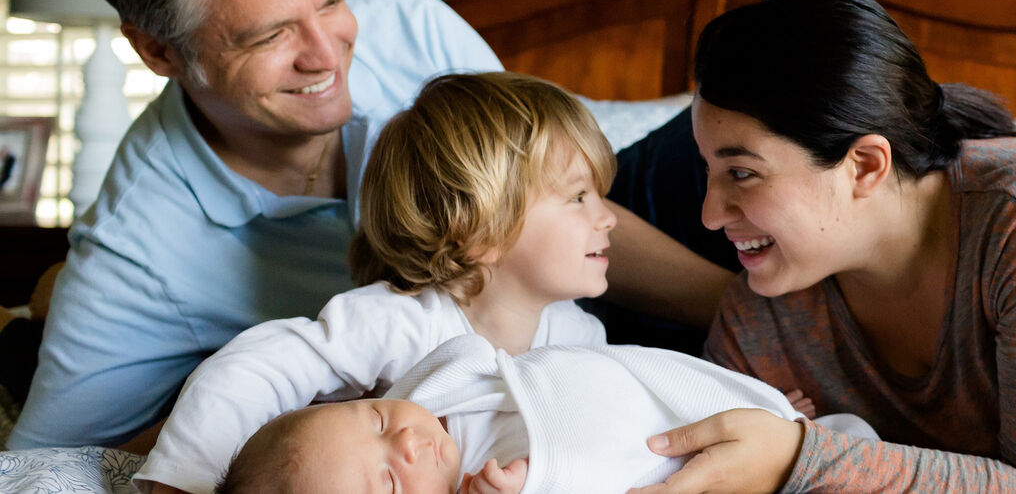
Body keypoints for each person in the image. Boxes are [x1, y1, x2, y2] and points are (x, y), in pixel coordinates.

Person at [6, 0, 731, 451]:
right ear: (158, 51)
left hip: (575, 241)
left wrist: (745, 313)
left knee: (730, 122)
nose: (329, 54)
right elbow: (49, 465)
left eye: (330, 0)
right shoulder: (136, 249)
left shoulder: (408, 21)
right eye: (269, 37)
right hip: (494, 306)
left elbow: (544, 197)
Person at [134, 72, 822, 493]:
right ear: (480, 230)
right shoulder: (399, 319)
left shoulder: (575, 331)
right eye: (578, 197)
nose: (608, 219)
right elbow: (258, 367)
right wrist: (183, 481)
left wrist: (740, 404)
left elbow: (628, 411)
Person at [627, 0, 1016, 493]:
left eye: (742, 173)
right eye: (708, 171)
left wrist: (800, 460)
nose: (709, 215)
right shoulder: (758, 324)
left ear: (864, 165)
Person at [205, 334, 875, 494]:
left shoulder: (445, 387)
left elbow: (585, 370)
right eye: (386, 481)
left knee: (841, 447)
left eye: (377, 420)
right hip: (691, 468)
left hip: (695, 407)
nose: (406, 440)